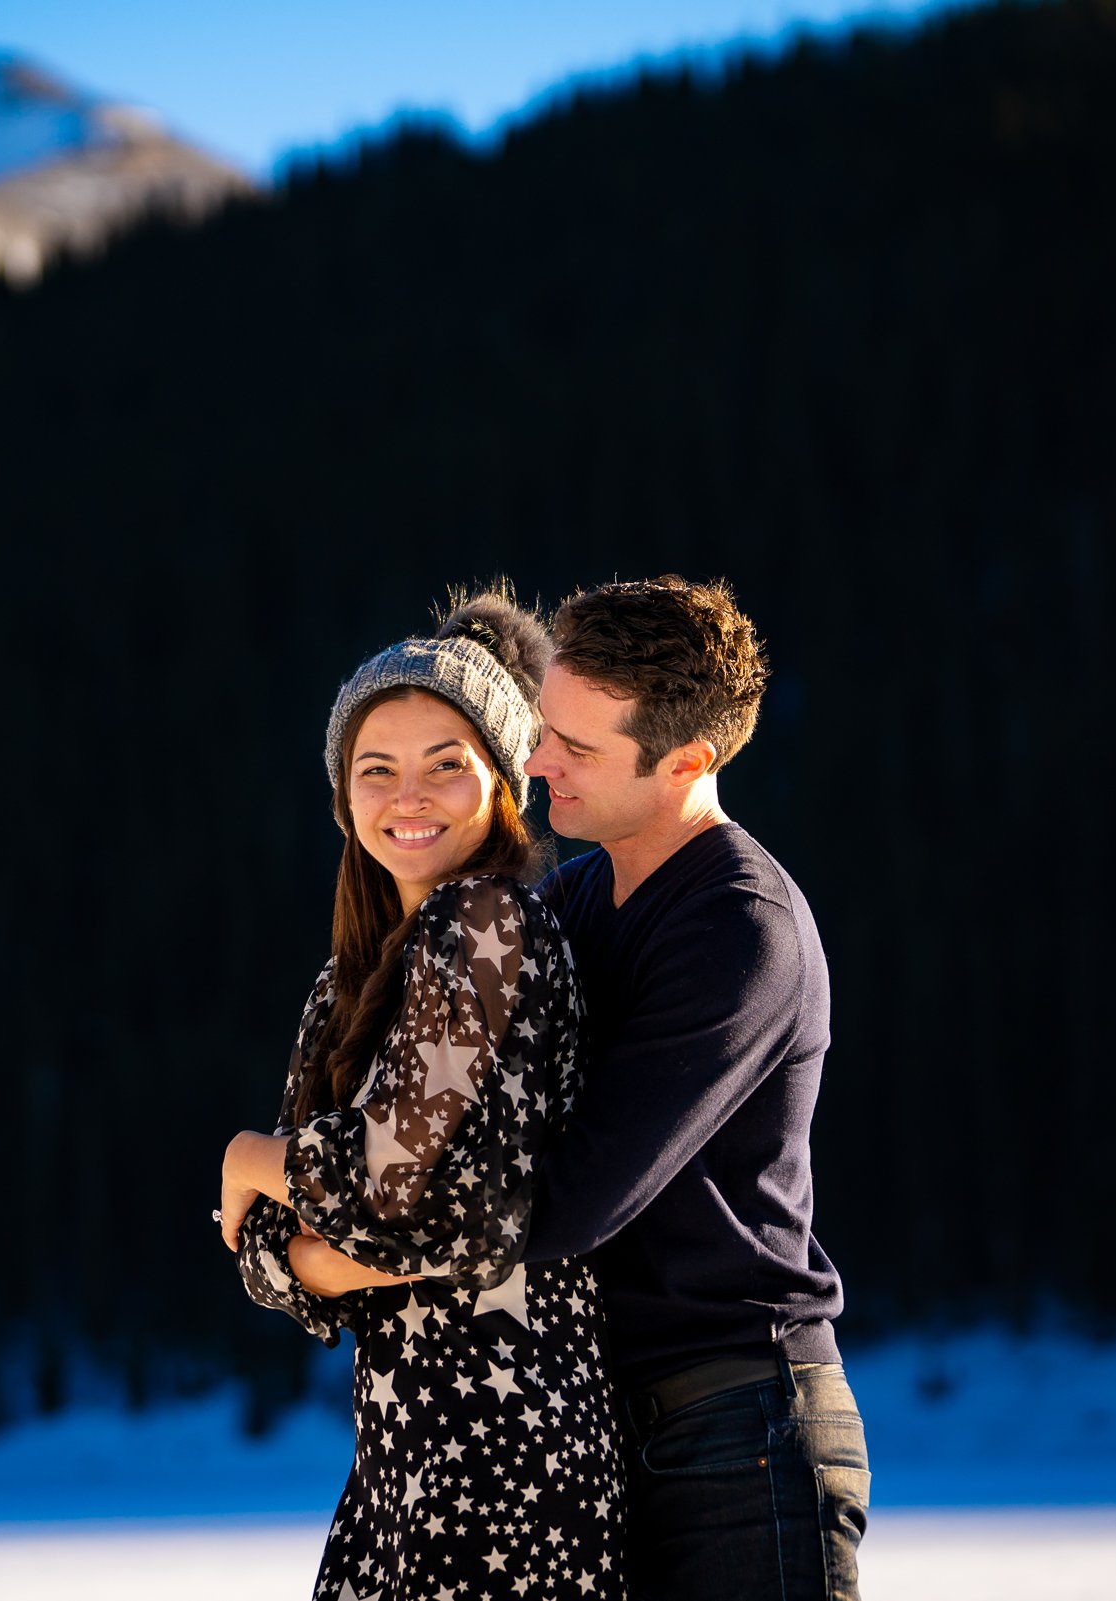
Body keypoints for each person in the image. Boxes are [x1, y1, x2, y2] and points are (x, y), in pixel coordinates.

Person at [218, 591, 627, 1601]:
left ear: (504, 786)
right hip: (403, 1464)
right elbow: (272, 1258)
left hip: (509, 1467)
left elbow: (433, 1209)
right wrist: (317, 1244)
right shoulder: (346, 981)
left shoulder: (486, 924)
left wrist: (254, 1161)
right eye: (378, 769)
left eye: (448, 762)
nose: (412, 794)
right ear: (343, 797)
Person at [517, 576, 869, 1601]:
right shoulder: (577, 892)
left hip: (741, 1421)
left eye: (576, 749)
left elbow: (568, 1201)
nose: (537, 761)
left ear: (687, 761)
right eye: (545, 728)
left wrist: (363, 1230)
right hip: (615, 1418)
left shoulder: (737, 923)